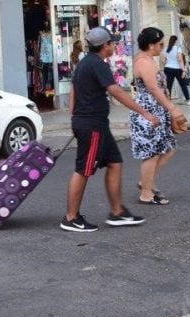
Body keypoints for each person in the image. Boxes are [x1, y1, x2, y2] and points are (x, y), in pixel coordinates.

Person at [60, 27, 159, 233]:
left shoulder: (85, 63)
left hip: (92, 124)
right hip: (92, 125)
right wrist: (145, 113)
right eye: (112, 43)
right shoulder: (97, 64)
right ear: (104, 46)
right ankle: (71, 217)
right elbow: (116, 92)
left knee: (115, 163)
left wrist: (74, 118)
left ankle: (117, 212)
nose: (114, 46)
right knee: (84, 170)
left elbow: (73, 91)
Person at [130, 27, 186, 205]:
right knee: (152, 153)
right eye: (160, 43)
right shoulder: (144, 62)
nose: (163, 46)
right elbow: (154, 89)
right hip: (148, 112)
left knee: (169, 147)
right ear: (151, 44)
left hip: (156, 110)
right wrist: (173, 109)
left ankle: (145, 183)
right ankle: (146, 193)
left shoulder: (148, 59)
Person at [162, 35, 190, 105]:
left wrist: (169, 63)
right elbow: (180, 60)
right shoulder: (177, 49)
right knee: (183, 85)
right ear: (176, 41)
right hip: (177, 69)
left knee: (168, 86)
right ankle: (188, 99)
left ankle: (167, 102)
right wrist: (184, 70)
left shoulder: (166, 49)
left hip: (167, 69)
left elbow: (163, 61)